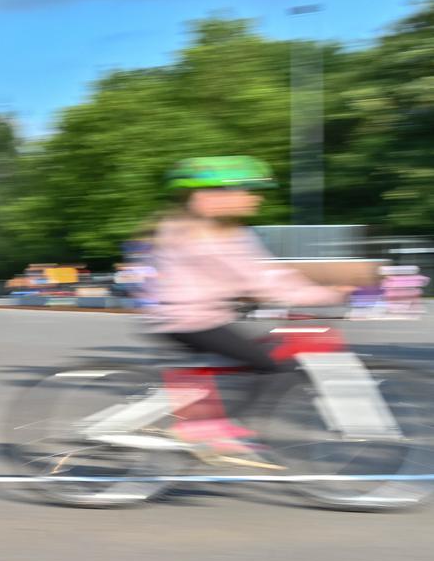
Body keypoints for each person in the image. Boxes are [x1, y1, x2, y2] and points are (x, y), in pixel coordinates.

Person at [146, 156, 350, 461]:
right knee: (272, 366)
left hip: (198, 317)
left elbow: (265, 273)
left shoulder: (221, 232)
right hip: (188, 320)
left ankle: (205, 426)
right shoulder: (203, 235)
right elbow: (258, 279)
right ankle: (214, 432)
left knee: (257, 354)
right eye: (247, 190)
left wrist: (313, 291)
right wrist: (324, 295)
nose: (257, 197)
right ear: (210, 196)